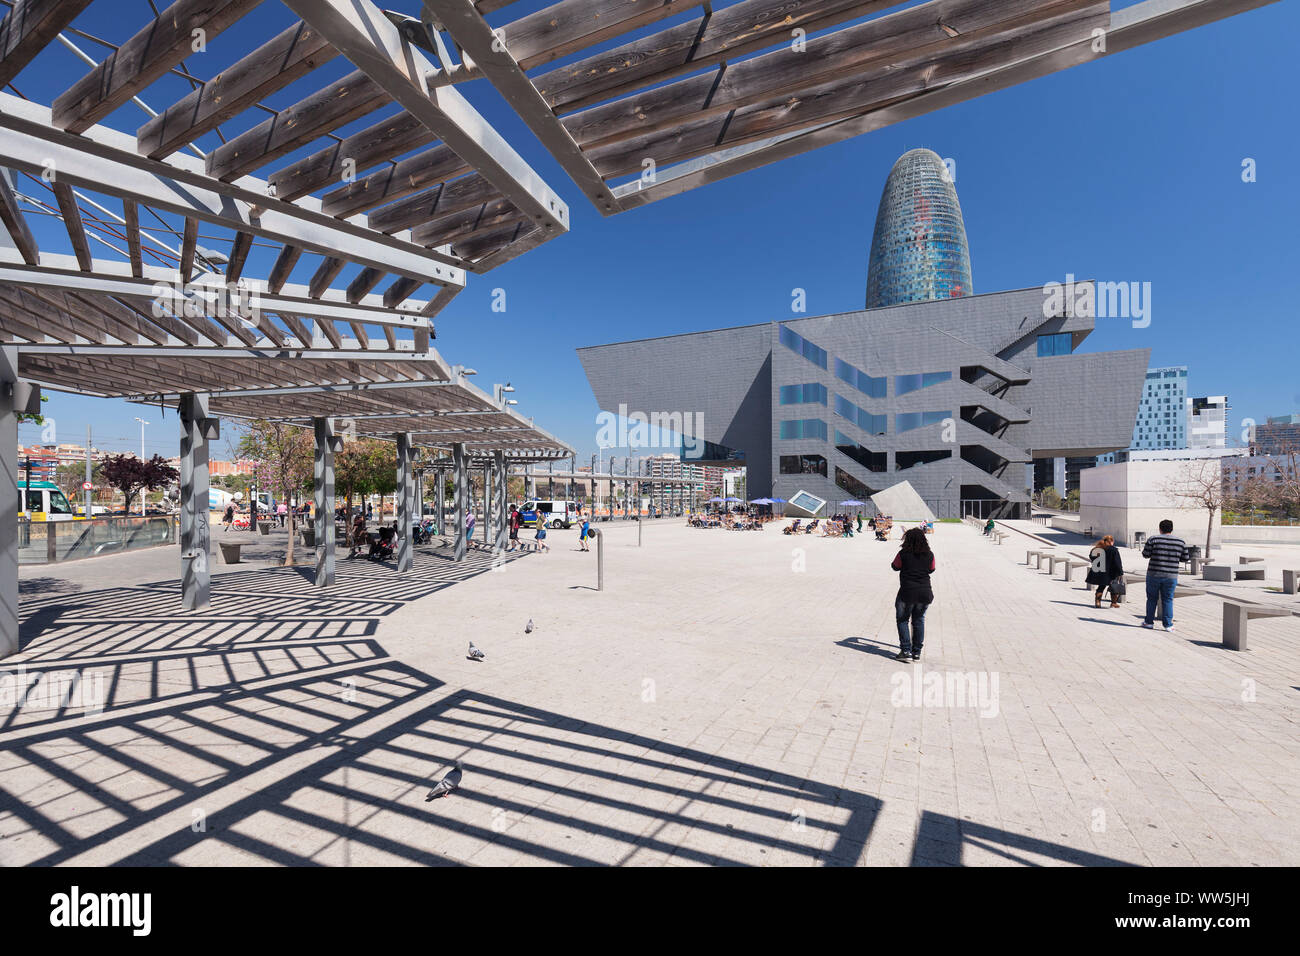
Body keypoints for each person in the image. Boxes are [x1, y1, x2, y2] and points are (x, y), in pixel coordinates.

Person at [891, 527, 936, 661]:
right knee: (918, 620)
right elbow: (931, 569)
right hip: (924, 592)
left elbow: (895, 566)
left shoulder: (903, 553)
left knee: (903, 620)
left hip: (907, 592)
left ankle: (905, 651)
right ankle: (916, 652)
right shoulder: (930, 554)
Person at [1141, 519, 1189, 631]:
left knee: (1152, 599)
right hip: (1171, 576)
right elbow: (1185, 558)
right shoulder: (1180, 542)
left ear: (1160, 528)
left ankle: (1148, 622)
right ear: (1172, 529)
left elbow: (1145, 554)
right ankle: (1168, 625)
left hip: (1154, 574)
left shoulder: (1153, 539)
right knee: (1168, 599)